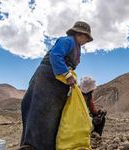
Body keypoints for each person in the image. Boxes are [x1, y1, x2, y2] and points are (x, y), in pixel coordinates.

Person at [19, 21, 93, 150]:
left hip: (57, 83)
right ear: (80, 34)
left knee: (52, 116)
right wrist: (66, 74)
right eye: (87, 37)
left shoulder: (77, 46)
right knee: (39, 113)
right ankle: (32, 146)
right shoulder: (67, 41)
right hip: (46, 80)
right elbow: (55, 55)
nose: (87, 41)